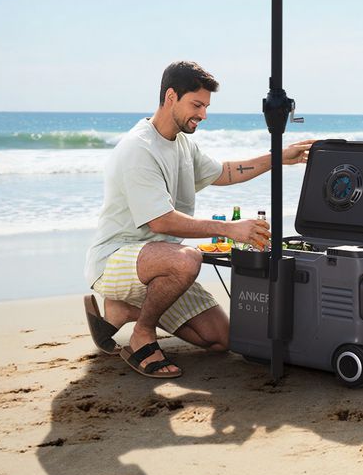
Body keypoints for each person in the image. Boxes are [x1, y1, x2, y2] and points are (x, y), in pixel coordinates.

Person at [83, 60, 314, 378]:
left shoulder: (182, 143)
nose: (203, 114)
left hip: (159, 263)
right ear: (171, 97)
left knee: (221, 339)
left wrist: (278, 157)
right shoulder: (139, 149)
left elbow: (225, 172)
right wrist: (230, 230)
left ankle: (125, 308)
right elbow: (161, 222)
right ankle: (142, 335)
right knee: (187, 260)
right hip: (114, 260)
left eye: (206, 106)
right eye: (196, 105)